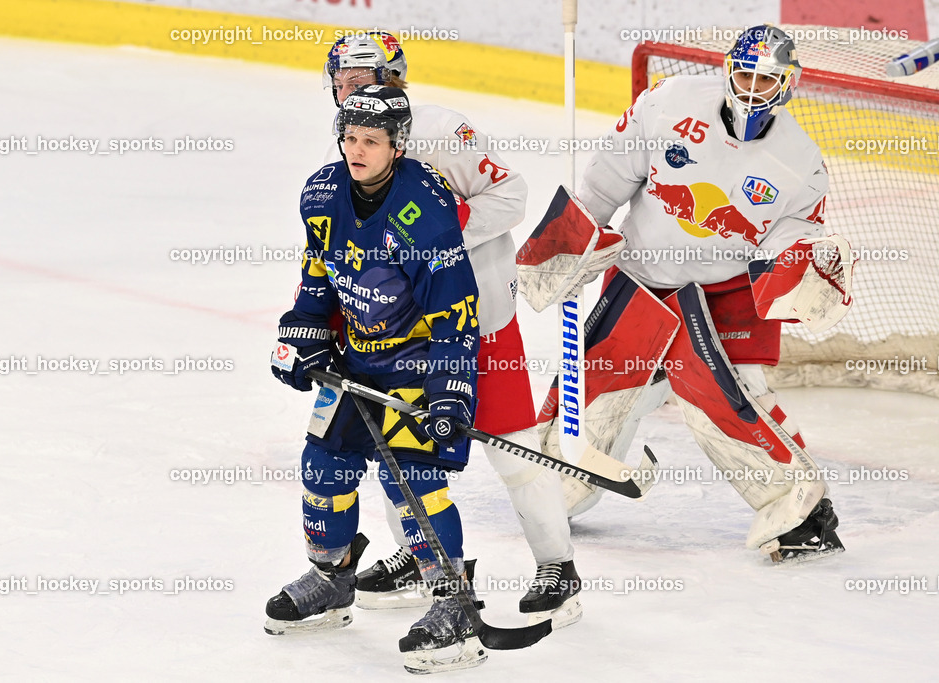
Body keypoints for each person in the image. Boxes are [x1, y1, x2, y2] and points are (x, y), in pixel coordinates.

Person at [534, 25, 848, 563]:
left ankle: (801, 512)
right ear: (728, 69)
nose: (752, 88)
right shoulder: (668, 104)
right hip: (638, 276)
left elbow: (788, 243)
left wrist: (807, 266)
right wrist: (575, 234)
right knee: (595, 391)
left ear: (788, 84)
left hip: (722, 294)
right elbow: (609, 177)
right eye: (745, 73)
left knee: (728, 399)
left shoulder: (800, 165)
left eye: (767, 78)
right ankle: (552, 489)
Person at [320, 30, 581, 625]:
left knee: (513, 452)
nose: (352, 90)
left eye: (366, 78)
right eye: (344, 80)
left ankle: (558, 566)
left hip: (478, 320)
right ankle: (422, 557)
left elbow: (510, 194)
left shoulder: (441, 130)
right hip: (395, 335)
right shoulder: (351, 140)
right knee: (398, 449)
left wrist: (437, 241)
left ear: (397, 76)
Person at [266, 85, 487, 674]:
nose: (356, 150)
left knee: (411, 480)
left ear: (397, 145)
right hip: (356, 356)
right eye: (350, 137)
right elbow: (318, 275)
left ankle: (454, 602)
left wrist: (451, 391)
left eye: (371, 140)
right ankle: (331, 577)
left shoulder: (426, 208)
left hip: (419, 363)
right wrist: (302, 332)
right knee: (324, 466)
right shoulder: (322, 191)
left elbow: (456, 311)